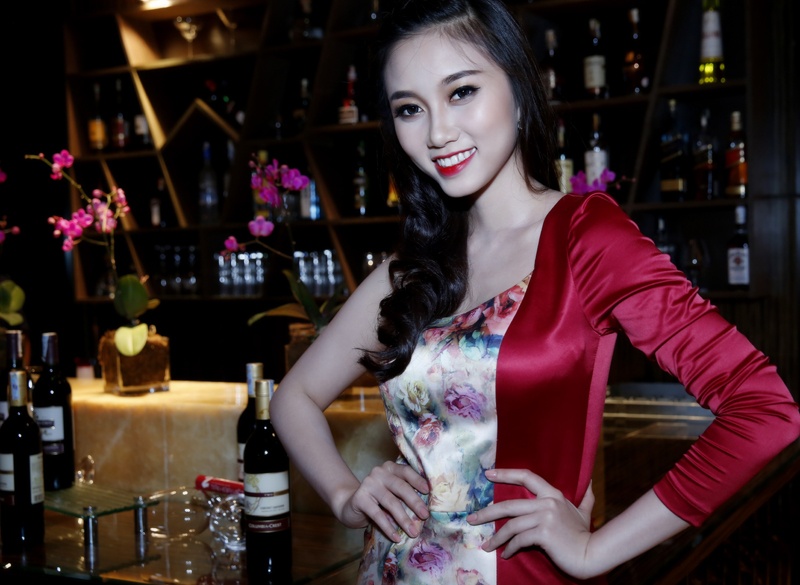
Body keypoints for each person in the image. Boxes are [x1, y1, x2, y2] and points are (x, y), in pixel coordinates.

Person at [270, 0, 800, 582]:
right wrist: (346, 495)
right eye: (410, 108)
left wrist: (597, 549)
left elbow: (763, 408)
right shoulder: (415, 265)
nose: (438, 132)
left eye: (462, 92)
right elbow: (294, 397)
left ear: (520, 92)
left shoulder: (586, 237)